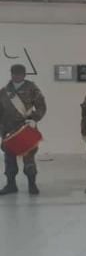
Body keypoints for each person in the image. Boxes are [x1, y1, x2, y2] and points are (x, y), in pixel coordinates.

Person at [0, 64, 46, 195]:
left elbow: (41, 106)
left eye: (19, 73)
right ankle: (11, 185)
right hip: (8, 130)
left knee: (28, 158)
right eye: (14, 73)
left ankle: (32, 184)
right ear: (11, 74)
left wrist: (34, 119)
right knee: (9, 159)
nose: (17, 76)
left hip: (26, 128)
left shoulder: (32, 89)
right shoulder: (4, 92)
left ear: (24, 74)